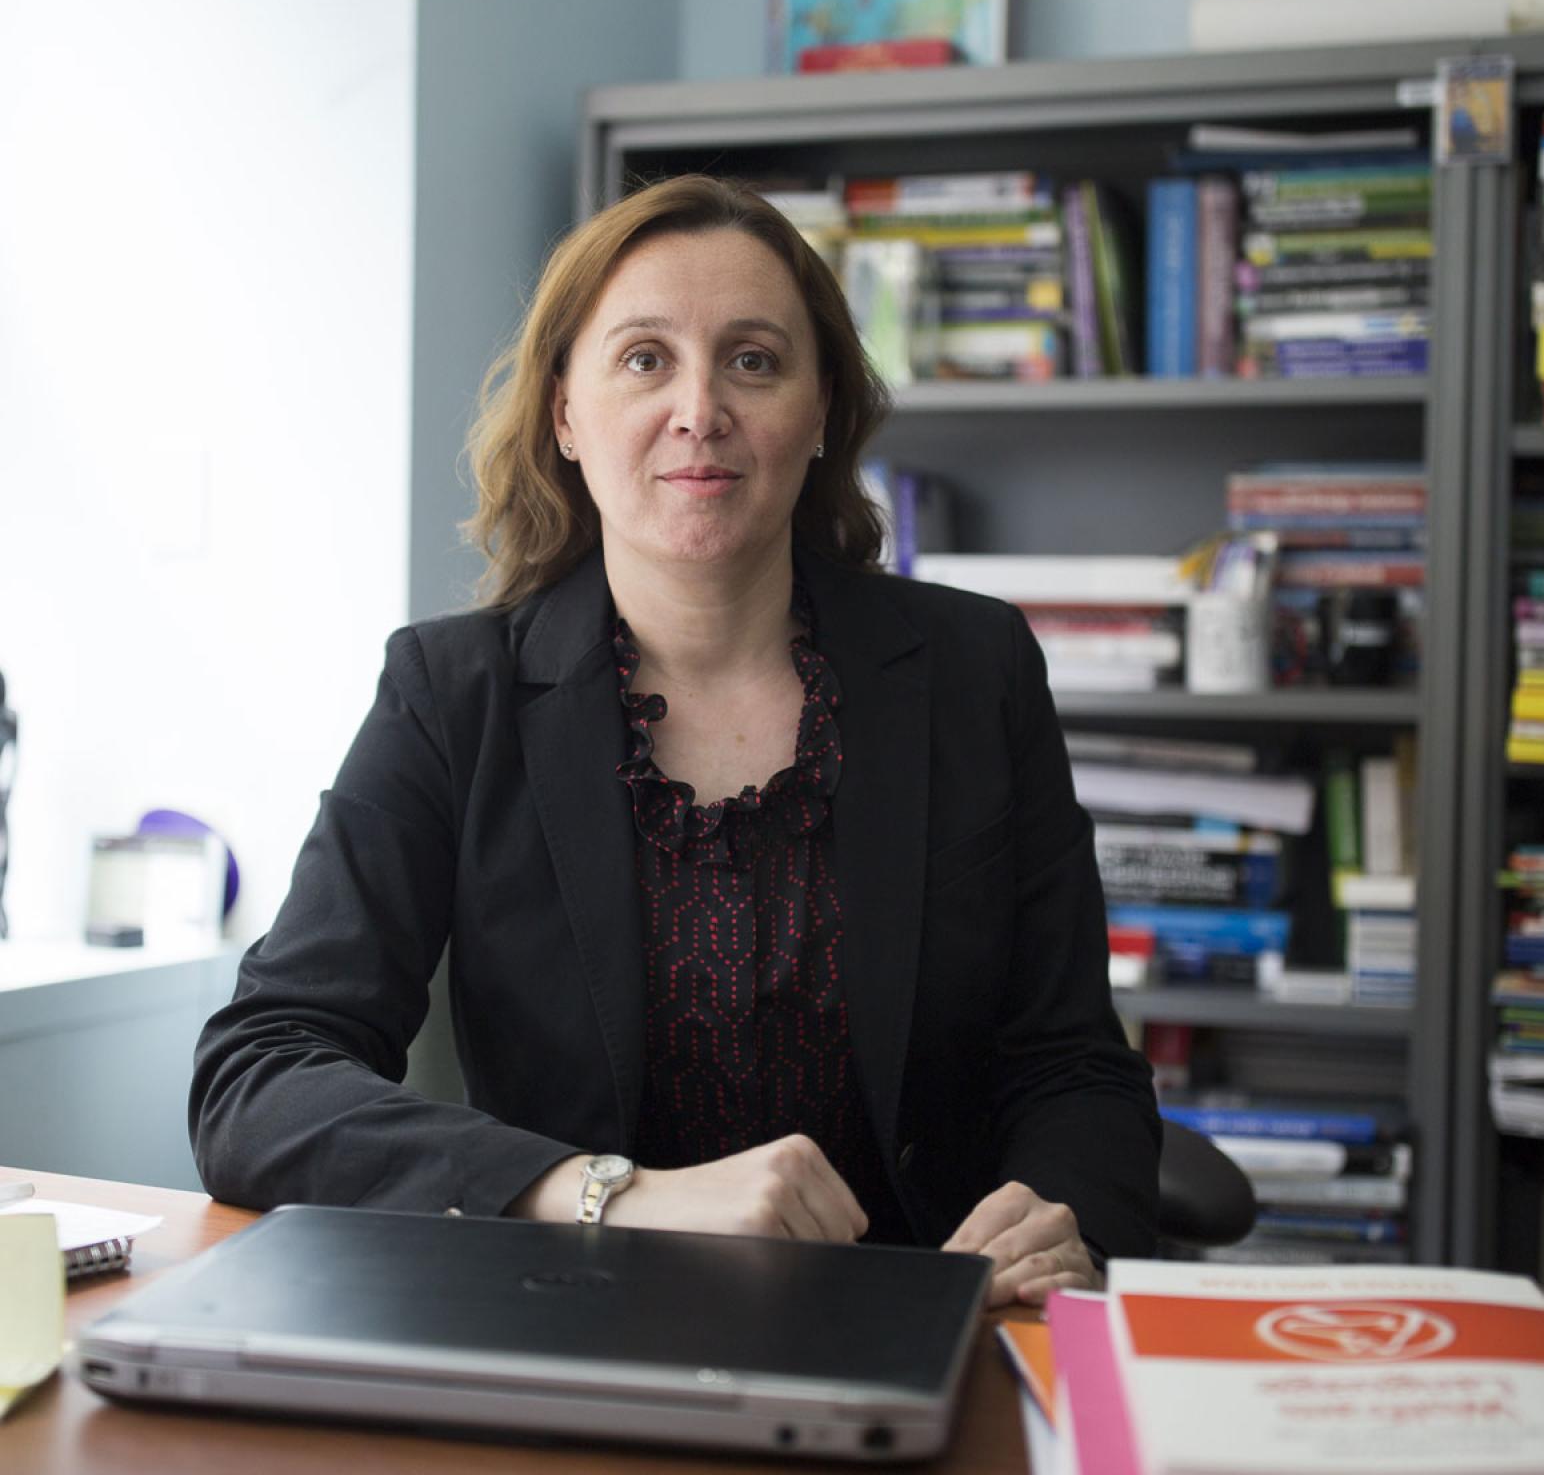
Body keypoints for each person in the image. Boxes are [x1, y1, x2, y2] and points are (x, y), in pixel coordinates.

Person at [190, 174, 1160, 1307]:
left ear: (820, 414)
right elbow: (257, 1075)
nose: (699, 409)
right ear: (565, 414)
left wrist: (1054, 1214)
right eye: (644, 358)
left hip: (933, 1324)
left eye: (752, 360)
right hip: (574, 1324)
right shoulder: (452, 696)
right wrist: (605, 1190)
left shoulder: (972, 671)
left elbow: (1074, 1064)